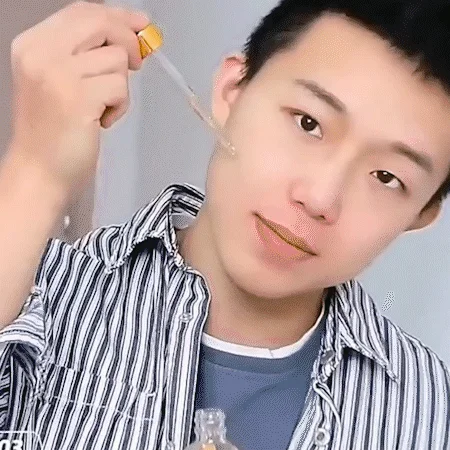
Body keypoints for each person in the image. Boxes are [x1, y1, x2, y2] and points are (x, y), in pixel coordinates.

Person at [0, 0, 449, 448]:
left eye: (386, 177)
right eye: (308, 123)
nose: (319, 198)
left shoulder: (429, 413)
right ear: (232, 92)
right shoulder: (39, 290)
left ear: (422, 213)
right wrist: (35, 172)